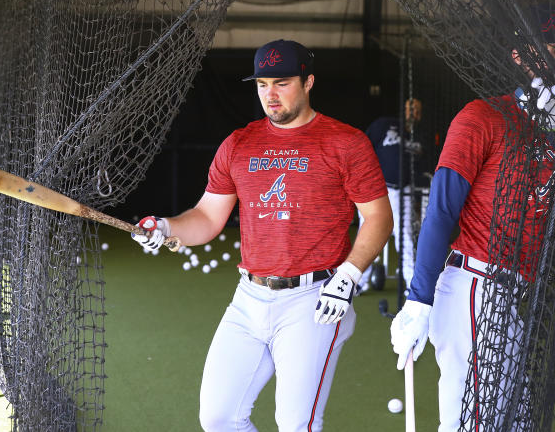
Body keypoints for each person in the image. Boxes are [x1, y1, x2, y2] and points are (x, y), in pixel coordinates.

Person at [132, 39, 393, 432]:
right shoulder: (239, 143)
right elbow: (206, 216)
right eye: (262, 84)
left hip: (315, 300)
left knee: (295, 425)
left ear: (308, 82)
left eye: (282, 83)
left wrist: (349, 276)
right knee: (219, 418)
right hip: (248, 298)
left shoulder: (346, 143)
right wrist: (167, 227)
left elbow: (378, 217)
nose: (270, 95)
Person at [389, 22, 555, 430]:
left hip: (522, 301)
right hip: (475, 289)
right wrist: (418, 300)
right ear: (522, 56)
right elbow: (441, 211)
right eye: (552, 45)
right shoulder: (483, 116)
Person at [357, 99, 424, 293]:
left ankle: (412, 286)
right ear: (403, 109)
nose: (413, 113)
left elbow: (424, 166)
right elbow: (363, 148)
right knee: (368, 236)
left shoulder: (421, 135)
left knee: (406, 239)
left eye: (417, 110)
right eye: (410, 108)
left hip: (403, 192)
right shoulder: (386, 124)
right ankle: (360, 282)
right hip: (375, 191)